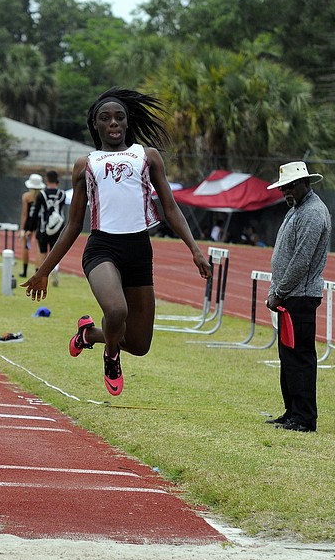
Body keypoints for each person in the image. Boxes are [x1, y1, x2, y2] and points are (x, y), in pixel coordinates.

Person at [21, 87, 211, 397]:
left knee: (139, 344)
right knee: (117, 311)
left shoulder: (147, 156)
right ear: (94, 124)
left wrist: (195, 250)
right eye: (105, 118)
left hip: (138, 250)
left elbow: (171, 208)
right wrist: (43, 270)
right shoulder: (86, 164)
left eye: (119, 118)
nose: (113, 123)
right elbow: (72, 225)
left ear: (126, 122)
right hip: (102, 249)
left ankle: (90, 334)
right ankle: (111, 357)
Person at [264, 161, 331, 433]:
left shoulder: (313, 213)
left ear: (306, 183)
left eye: (290, 186)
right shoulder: (297, 209)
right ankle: (292, 411)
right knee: (288, 357)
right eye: (283, 187)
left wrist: (279, 293)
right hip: (289, 296)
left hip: (299, 297)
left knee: (300, 357)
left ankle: (304, 418)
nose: (286, 192)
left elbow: (301, 260)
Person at [31, 170, 67, 286]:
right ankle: (55, 269)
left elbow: (36, 212)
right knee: (54, 251)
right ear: (57, 180)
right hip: (57, 227)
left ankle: (39, 275)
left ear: (47, 179)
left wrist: (31, 228)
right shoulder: (62, 194)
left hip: (44, 227)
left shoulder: (42, 194)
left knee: (42, 252)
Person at [19, 173, 45, 278]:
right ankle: (37, 272)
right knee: (39, 248)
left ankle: (24, 272)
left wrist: (22, 228)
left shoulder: (26, 196)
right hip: (39, 223)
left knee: (26, 246)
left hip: (29, 223)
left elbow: (25, 214)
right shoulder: (43, 196)